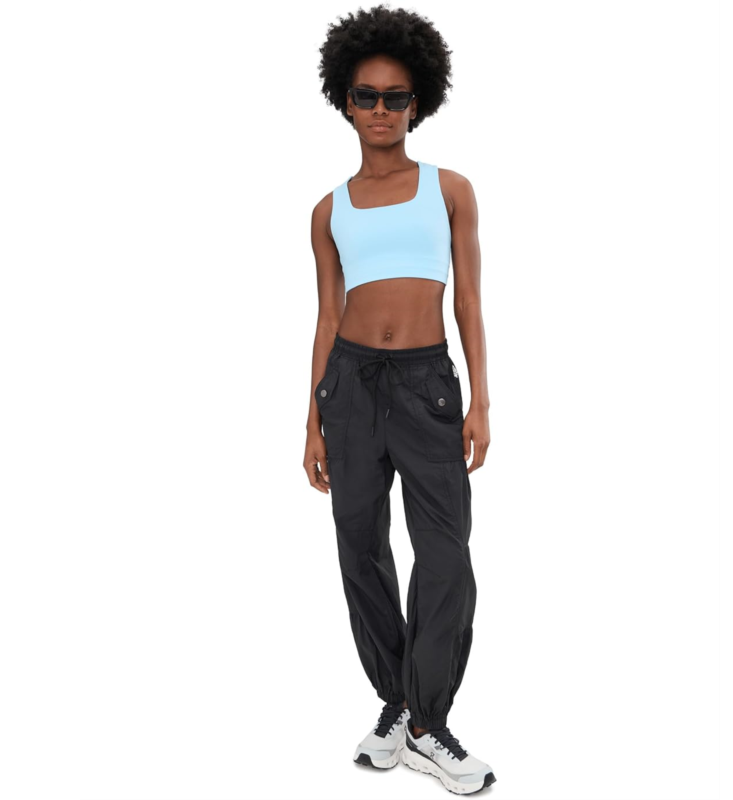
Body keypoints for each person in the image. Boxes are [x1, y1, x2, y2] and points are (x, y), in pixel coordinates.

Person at [304, 5, 495, 794]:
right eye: (366, 95)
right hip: (349, 386)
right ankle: (397, 702)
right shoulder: (328, 210)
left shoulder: (450, 190)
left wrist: (481, 401)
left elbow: (469, 301)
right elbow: (327, 315)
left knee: (445, 554)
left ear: (418, 104)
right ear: (345, 102)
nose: (380, 109)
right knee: (360, 549)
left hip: (426, 386)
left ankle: (426, 721)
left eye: (395, 97)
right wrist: (312, 420)